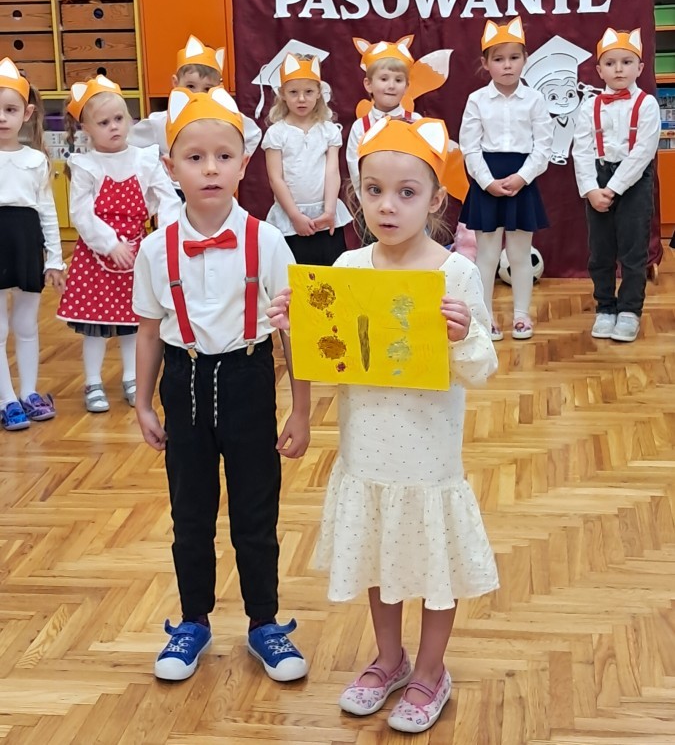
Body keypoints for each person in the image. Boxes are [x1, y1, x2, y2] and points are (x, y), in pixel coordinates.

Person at [268, 116, 499, 734]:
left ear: (436, 200)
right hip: (366, 446)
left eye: (406, 192)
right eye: (373, 190)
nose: (387, 206)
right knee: (379, 554)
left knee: (434, 564)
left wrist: (462, 334)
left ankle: (431, 671)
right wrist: (296, 324)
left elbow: (483, 367)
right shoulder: (347, 267)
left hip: (427, 451)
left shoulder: (454, 274)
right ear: (357, 194)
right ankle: (390, 659)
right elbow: (327, 355)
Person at [132, 86, 311, 685]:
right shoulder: (155, 249)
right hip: (182, 380)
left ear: (243, 164)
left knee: (257, 508)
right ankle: (193, 621)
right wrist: (142, 401)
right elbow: (149, 330)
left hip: (248, 377)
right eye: (195, 157)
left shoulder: (268, 241)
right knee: (190, 512)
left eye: (224, 156)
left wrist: (301, 410)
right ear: (170, 168)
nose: (210, 169)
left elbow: (293, 332)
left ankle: (264, 622)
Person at [56, 76, 181, 412]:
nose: (114, 127)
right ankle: (93, 382)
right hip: (97, 256)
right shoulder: (85, 165)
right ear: (86, 128)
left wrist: (165, 238)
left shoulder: (145, 159)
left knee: (132, 322)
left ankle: (131, 377)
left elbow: (168, 199)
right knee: (94, 326)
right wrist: (109, 244)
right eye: (103, 122)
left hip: (137, 254)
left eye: (119, 118)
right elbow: (81, 213)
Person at [459, 17, 553, 341]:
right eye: (498, 59)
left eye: (514, 57)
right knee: (486, 256)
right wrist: (487, 182)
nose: (507, 65)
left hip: (521, 182)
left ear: (525, 59)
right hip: (487, 183)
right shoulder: (477, 100)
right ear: (485, 63)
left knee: (519, 254)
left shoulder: (535, 99)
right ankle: (485, 317)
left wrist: (522, 177)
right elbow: (470, 147)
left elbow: (543, 147)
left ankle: (522, 316)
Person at [572, 27, 660, 342]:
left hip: (633, 182)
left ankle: (630, 311)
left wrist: (614, 188)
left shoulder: (647, 104)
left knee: (634, 251)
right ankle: (605, 307)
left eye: (626, 62)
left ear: (640, 67)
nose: (618, 69)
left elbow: (643, 152)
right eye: (610, 63)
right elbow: (581, 150)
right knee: (600, 251)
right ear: (599, 70)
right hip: (598, 179)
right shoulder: (589, 106)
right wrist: (591, 190)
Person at [0, 58, 66, 430]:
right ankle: (6, 399)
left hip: (26, 246)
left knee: (26, 324)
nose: (2, 118)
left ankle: (28, 392)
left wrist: (54, 259)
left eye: (10, 110)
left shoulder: (36, 160)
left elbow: (47, 211)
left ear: (26, 114)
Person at [128, 35, 262, 193]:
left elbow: (253, 133)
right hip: (174, 192)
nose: (198, 94)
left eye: (207, 88)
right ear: (176, 83)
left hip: (214, 187)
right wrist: (159, 171)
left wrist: (232, 161)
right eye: (191, 86)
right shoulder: (161, 121)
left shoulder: (227, 120)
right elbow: (130, 142)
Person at [263, 52, 351, 265]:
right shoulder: (277, 133)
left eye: (308, 92)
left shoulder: (328, 130)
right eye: (293, 92)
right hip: (291, 220)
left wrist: (329, 211)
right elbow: (276, 178)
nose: (301, 99)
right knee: (294, 274)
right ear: (282, 94)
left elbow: (332, 172)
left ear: (319, 93)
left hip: (324, 217)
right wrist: (295, 216)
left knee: (330, 272)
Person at [346, 36, 421, 196]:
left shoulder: (416, 122)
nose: (391, 86)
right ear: (368, 84)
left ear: (406, 86)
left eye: (398, 80)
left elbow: (423, 168)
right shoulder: (360, 127)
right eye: (384, 79)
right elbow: (356, 171)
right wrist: (369, 203)